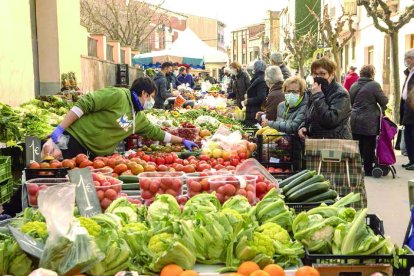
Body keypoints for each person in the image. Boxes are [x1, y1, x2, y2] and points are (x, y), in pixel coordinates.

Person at [46, 77, 198, 159]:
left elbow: (157, 133)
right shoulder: (118, 95)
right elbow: (85, 103)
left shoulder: (138, 117)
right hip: (74, 141)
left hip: (93, 155)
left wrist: (182, 141)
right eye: (151, 97)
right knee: (53, 179)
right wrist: (60, 129)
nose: (151, 101)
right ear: (144, 94)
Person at [298, 57, 352, 139]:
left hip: (334, 143)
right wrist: (303, 126)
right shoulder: (315, 91)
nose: (318, 77)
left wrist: (318, 96)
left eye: (322, 74)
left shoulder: (340, 94)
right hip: (316, 141)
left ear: (332, 75)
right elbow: (308, 114)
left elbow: (330, 120)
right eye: (315, 74)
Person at [350, 65, 388, 176]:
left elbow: (350, 102)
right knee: (369, 145)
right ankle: (367, 170)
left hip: (355, 119)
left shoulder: (354, 85)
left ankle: (356, 169)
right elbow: (384, 101)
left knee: (358, 145)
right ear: (372, 74)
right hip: (369, 121)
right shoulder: (374, 85)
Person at [243, 60, 268, 126]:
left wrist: (248, 101)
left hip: (255, 111)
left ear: (256, 68)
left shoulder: (261, 80)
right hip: (253, 111)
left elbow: (261, 97)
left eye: (254, 67)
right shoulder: (258, 78)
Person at [401, 48, 414, 170]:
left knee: (412, 136)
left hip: (412, 109)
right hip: (407, 108)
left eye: (407, 58)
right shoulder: (409, 72)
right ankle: (411, 160)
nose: (406, 61)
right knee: (408, 136)